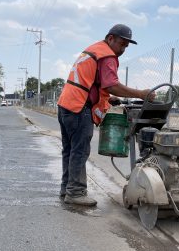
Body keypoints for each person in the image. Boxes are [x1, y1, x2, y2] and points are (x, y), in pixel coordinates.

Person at [57, 24, 155, 206]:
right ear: (110, 38)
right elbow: (111, 84)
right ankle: (76, 192)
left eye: (126, 46)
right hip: (79, 108)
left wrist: (108, 99)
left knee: (69, 150)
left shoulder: (93, 50)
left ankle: (67, 188)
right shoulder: (107, 56)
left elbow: (92, 84)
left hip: (66, 105)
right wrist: (141, 94)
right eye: (122, 44)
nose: (123, 49)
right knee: (79, 151)